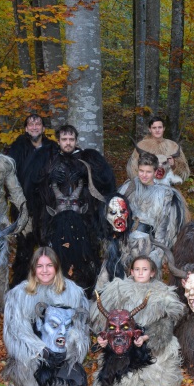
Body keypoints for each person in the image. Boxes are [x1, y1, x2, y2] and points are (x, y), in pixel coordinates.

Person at [13, 124, 116, 290]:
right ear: (58, 141)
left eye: (71, 139)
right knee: (56, 257)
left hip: (83, 219)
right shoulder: (47, 161)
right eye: (64, 139)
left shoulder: (87, 160)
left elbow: (106, 184)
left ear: (76, 140)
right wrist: (48, 176)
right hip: (54, 220)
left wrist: (87, 173)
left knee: (84, 259)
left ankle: (86, 290)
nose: (68, 143)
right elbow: (32, 187)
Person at [2, 247, 90, 386]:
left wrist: (66, 348)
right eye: (40, 266)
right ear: (33, 269)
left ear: (56, 267)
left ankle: (57, 380)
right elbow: (16, 331)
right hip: (33, 356)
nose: (44, 271)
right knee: (29, 379)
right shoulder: (18, 295)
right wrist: (40, 351)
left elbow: (80, 329)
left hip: (62, 353)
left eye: (49, 265)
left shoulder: (74, 293)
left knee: (67, 385)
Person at [90, 255, 185, 386]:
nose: (140, 273)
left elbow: (166, 324)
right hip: (121, 342)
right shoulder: (117, 291)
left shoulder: (162, 295)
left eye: (145, 269)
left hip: (150, 344)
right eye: (137, 269)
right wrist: (105, 337)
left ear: (152, 272)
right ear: (131, 272)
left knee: (155, 375)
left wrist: (148, 337)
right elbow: (106, 320)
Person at [119, 152, 188, 272]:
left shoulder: (164, 194)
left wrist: (157, 255)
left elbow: (164, 229)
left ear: (155, 172)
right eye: (141, 171)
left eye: (148, 172)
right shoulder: (128, 187)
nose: (144, 175)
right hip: (123, 242)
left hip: (147, 244)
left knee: (143, 279)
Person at [126, 116, 189, 185]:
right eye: (154, 128)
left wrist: (174, 165)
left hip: (168, 185)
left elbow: (183, 172)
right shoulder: (141, 146)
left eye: (160, 127)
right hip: (145, 186)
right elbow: (133, 170)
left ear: (164, 128)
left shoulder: (174, 146)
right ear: (150, 129)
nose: (157, 130)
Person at [7, 114, 58, 183]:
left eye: (38, 124)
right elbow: (10, 173)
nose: (34, 127)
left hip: (47, 188)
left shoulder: (52, 148)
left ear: (43, 129)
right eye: (31, 124)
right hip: (22, 188)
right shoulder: (17, 148)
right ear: (26, 129)